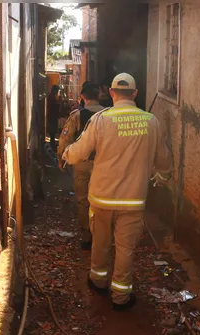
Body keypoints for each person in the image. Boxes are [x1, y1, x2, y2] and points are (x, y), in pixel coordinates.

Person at [62, 73, 173, 311]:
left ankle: (98, 281)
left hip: (101, 198)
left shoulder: (102, 120)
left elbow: (80, 151)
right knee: (125, 248)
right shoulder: (151, 121)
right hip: (132, 200)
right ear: (135, 94)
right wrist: (162, 177)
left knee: (100, 242)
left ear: (111, 93)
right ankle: (121, 297)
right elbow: (163, 161)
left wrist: (66, 154)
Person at [57, 83, 106, 250]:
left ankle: (87, 236)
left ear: (83, 97)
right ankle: (102, 235)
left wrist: (61, 159)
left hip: (82, 164)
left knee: (83, 201)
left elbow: (65, 139)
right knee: (102, 202)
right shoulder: (109, 115)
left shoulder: (77, 116)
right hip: (104, 165)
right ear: (99, 96)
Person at [46, 85, 61, 150]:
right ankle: (52, 145)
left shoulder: (51, 97)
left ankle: (52, 144)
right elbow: (53, 107)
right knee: (52, 131)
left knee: (53, 132)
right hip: (52, 117)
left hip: (52, 116)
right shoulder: (51, 97)